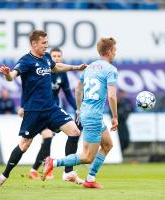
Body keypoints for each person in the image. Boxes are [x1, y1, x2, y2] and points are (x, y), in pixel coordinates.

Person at [0, 30, 87, 188]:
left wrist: (75, 67)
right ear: (34, 44)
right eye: (43, 44)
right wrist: (7, 74)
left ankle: (68, 172)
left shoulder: (47, 57)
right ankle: (3, 176)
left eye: (47, 43)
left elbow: (56, 67)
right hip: (34, 111)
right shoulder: (26, 61)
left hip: (51, 108)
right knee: (24, 145)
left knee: (75, 131)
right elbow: (12, 76)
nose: (46, 46)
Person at [42, 37, 118, 189]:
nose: (115, 53)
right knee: (87, 157)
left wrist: (78, 109)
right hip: (94, 116)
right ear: (109, 52)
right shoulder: (111, 70)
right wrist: (115, 116)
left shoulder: (90, 67)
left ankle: (90, 179)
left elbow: (78, 89)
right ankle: (54, 162)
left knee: (108, 144)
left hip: (85, 112)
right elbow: (111, 96)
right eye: (115, 50)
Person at [26, 47, 83, 184]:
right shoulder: (43, 71)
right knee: (46, 137)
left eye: (59, 56)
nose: (56, 58)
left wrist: (78, 108)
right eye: (54, 56)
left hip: (54, 110)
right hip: (39, 110)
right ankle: (44, 168)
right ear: (49, 58)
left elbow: (68, 93)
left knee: (47, 139)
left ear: (61, 58)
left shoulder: (62, 74)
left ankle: (36, 170)